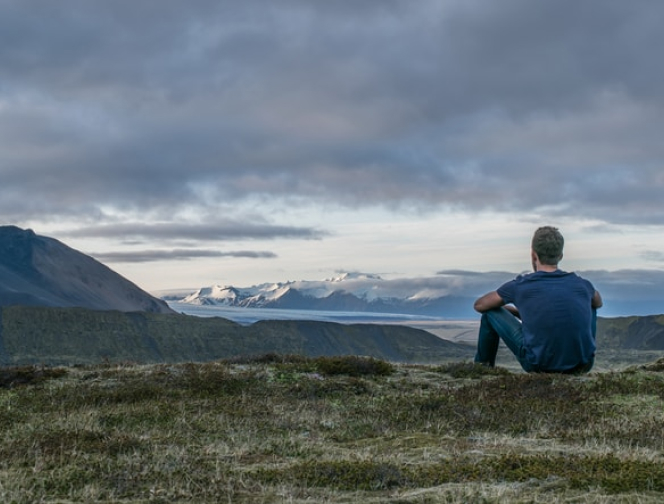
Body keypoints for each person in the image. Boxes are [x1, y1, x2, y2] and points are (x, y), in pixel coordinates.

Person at [473, 226, 603, 373]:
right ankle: (580, 354)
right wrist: (519, 312)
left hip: (538, 365)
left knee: (490, 313)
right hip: (583, 365)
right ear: (560, 255)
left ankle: (482, 369)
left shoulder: (521, 285)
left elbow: (480, 305)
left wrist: (505, 309)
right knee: (591, 304)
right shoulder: (582, 284)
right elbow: (598, 302)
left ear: (533, 255)